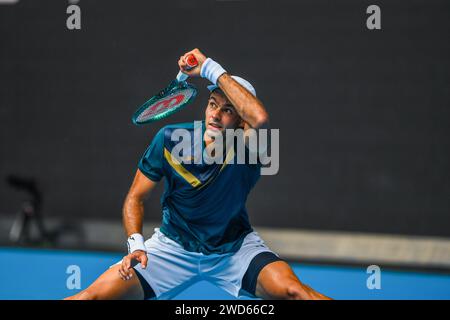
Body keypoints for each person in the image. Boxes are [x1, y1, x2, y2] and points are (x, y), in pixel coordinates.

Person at [65, 49, 330, 300]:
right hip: (172, 247)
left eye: (228, 110)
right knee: (91, 296)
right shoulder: (169, 139)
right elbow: (135, 197)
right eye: (213, 104)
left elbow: (259, 118)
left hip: (234, 250)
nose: (215, 115)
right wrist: (136, 245)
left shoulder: (252, 148)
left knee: (296, 292)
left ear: (241, 123)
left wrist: (208, 68)